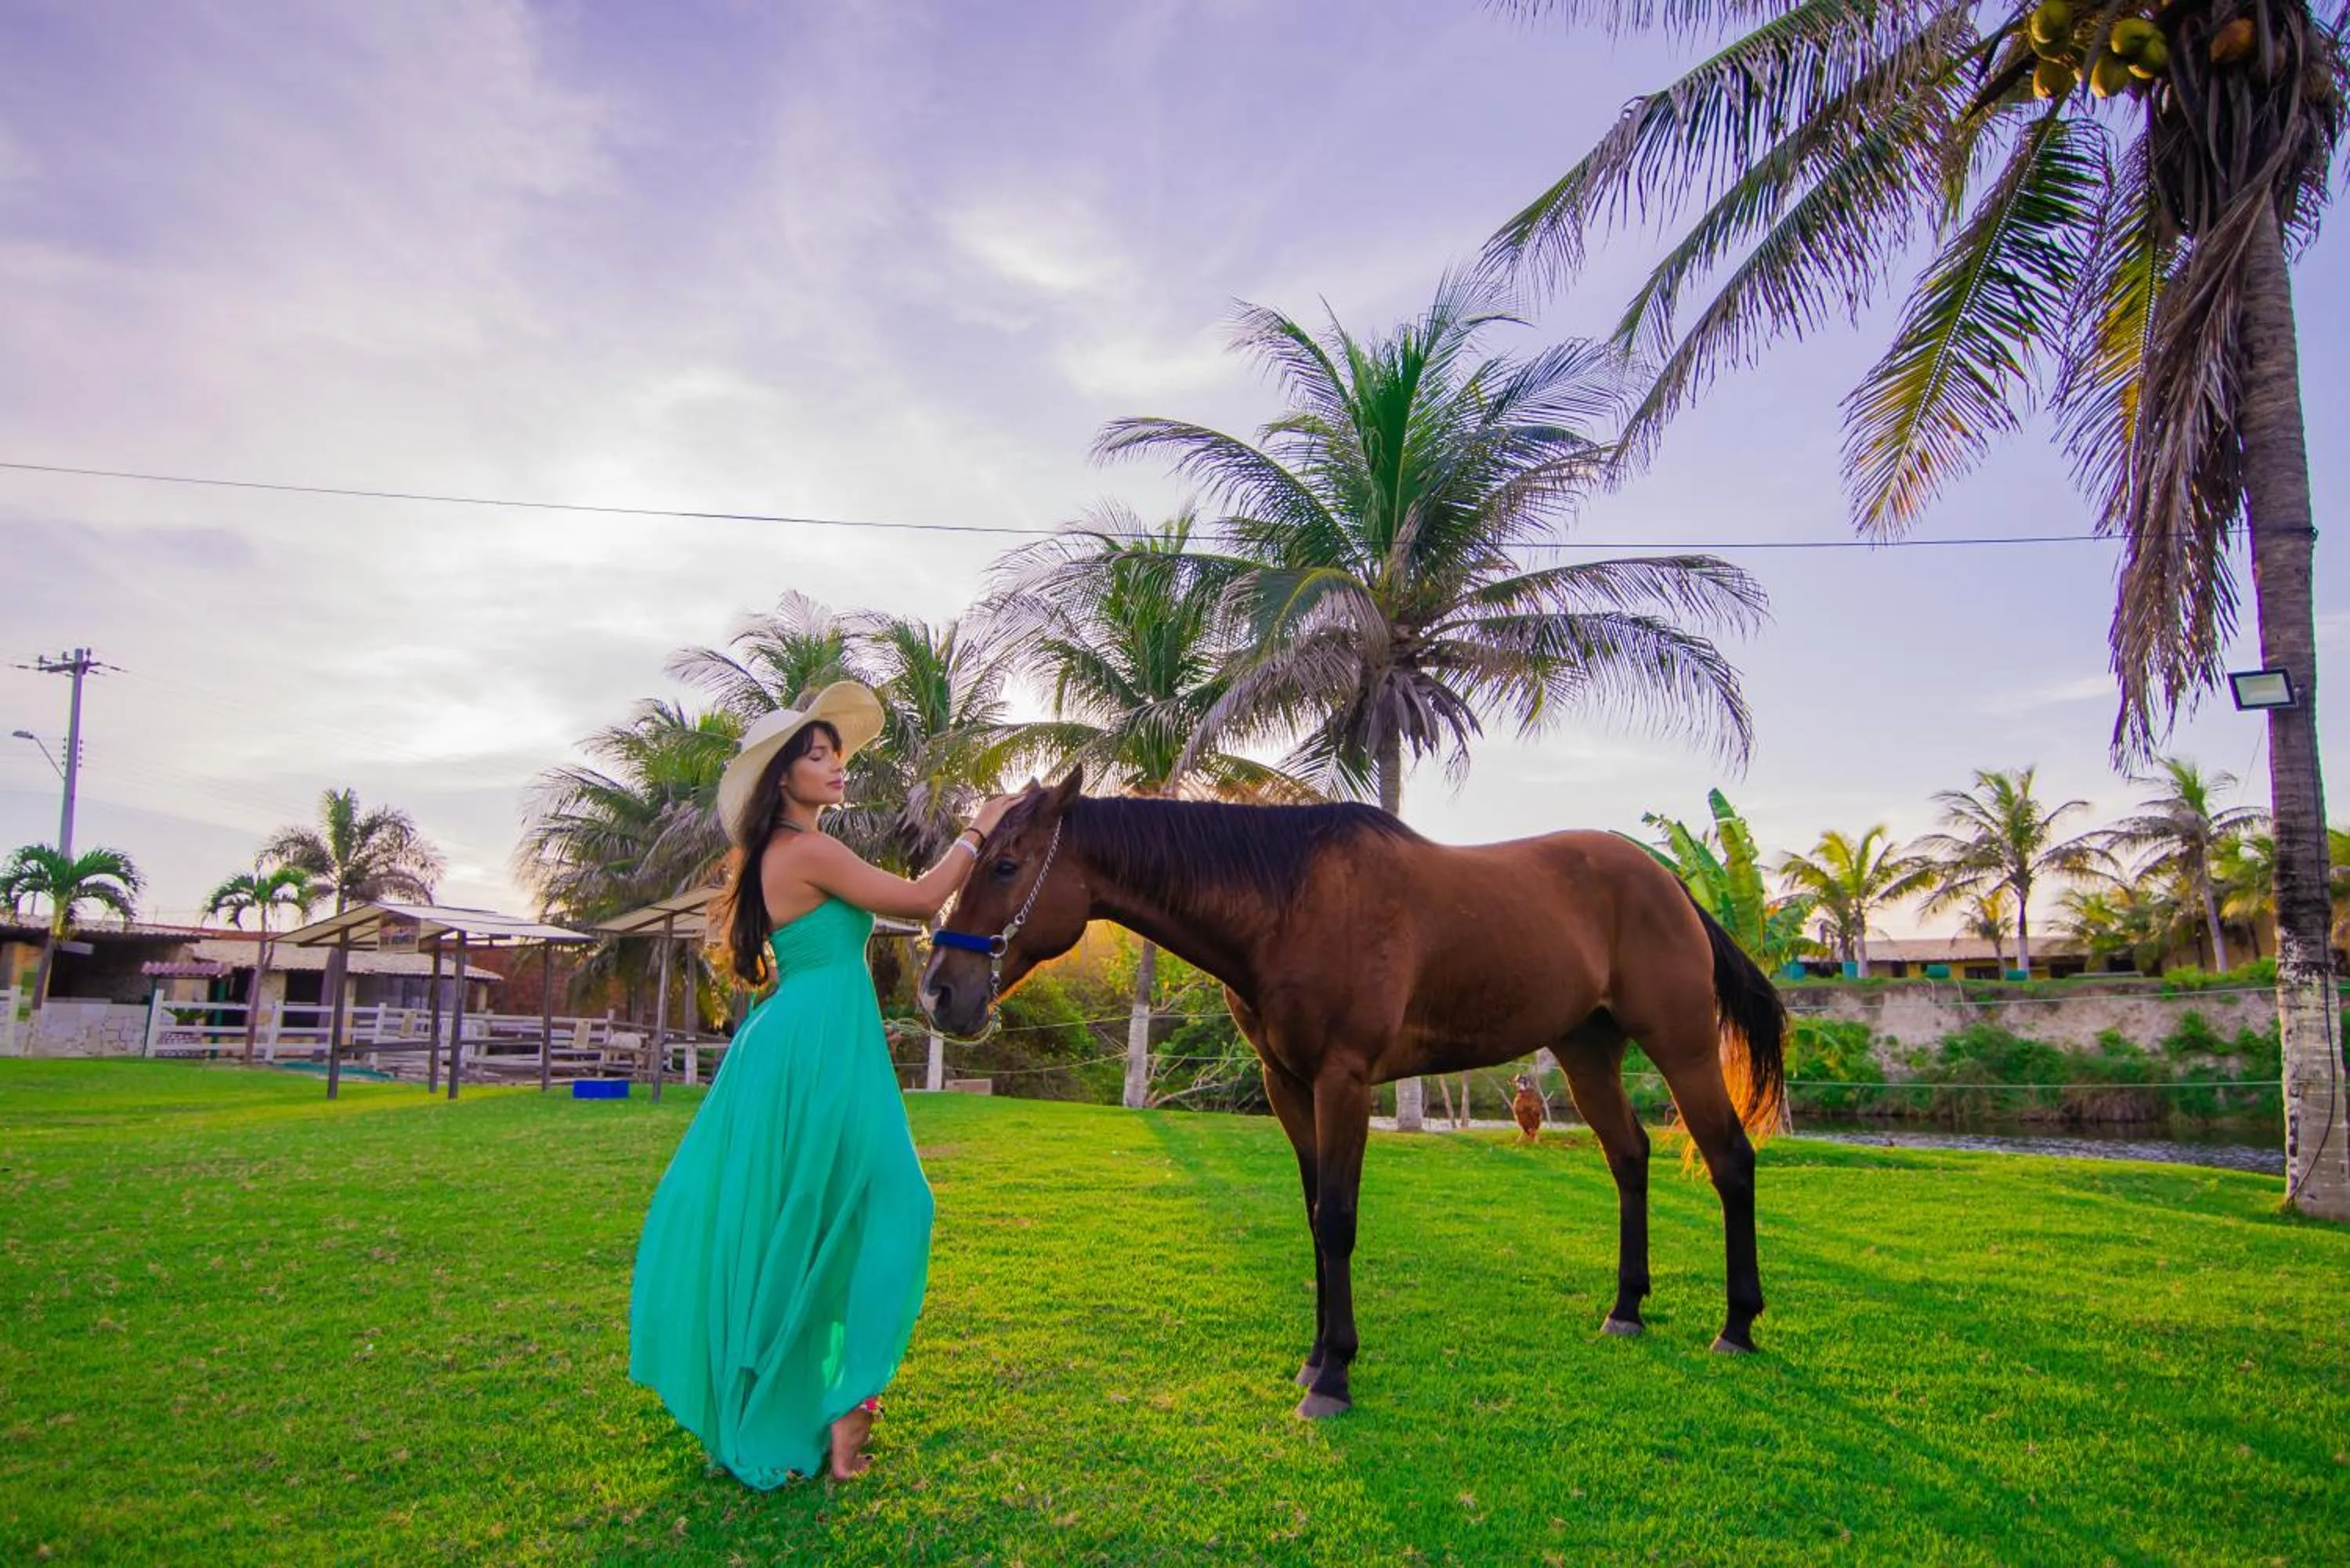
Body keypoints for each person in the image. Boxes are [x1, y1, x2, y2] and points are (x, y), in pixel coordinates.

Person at [627, 681, 1012, 1485]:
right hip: (816, 1044)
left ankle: (832, 1412)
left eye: (837, 753)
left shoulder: (786, 851)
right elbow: (921, 898)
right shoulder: (805, 851)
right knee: (890, 1202)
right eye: (816, 755)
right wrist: (980, 828)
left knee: (810, 1217)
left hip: (810, 1036)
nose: (836, 765)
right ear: (783, 778)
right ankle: (841, 1408)